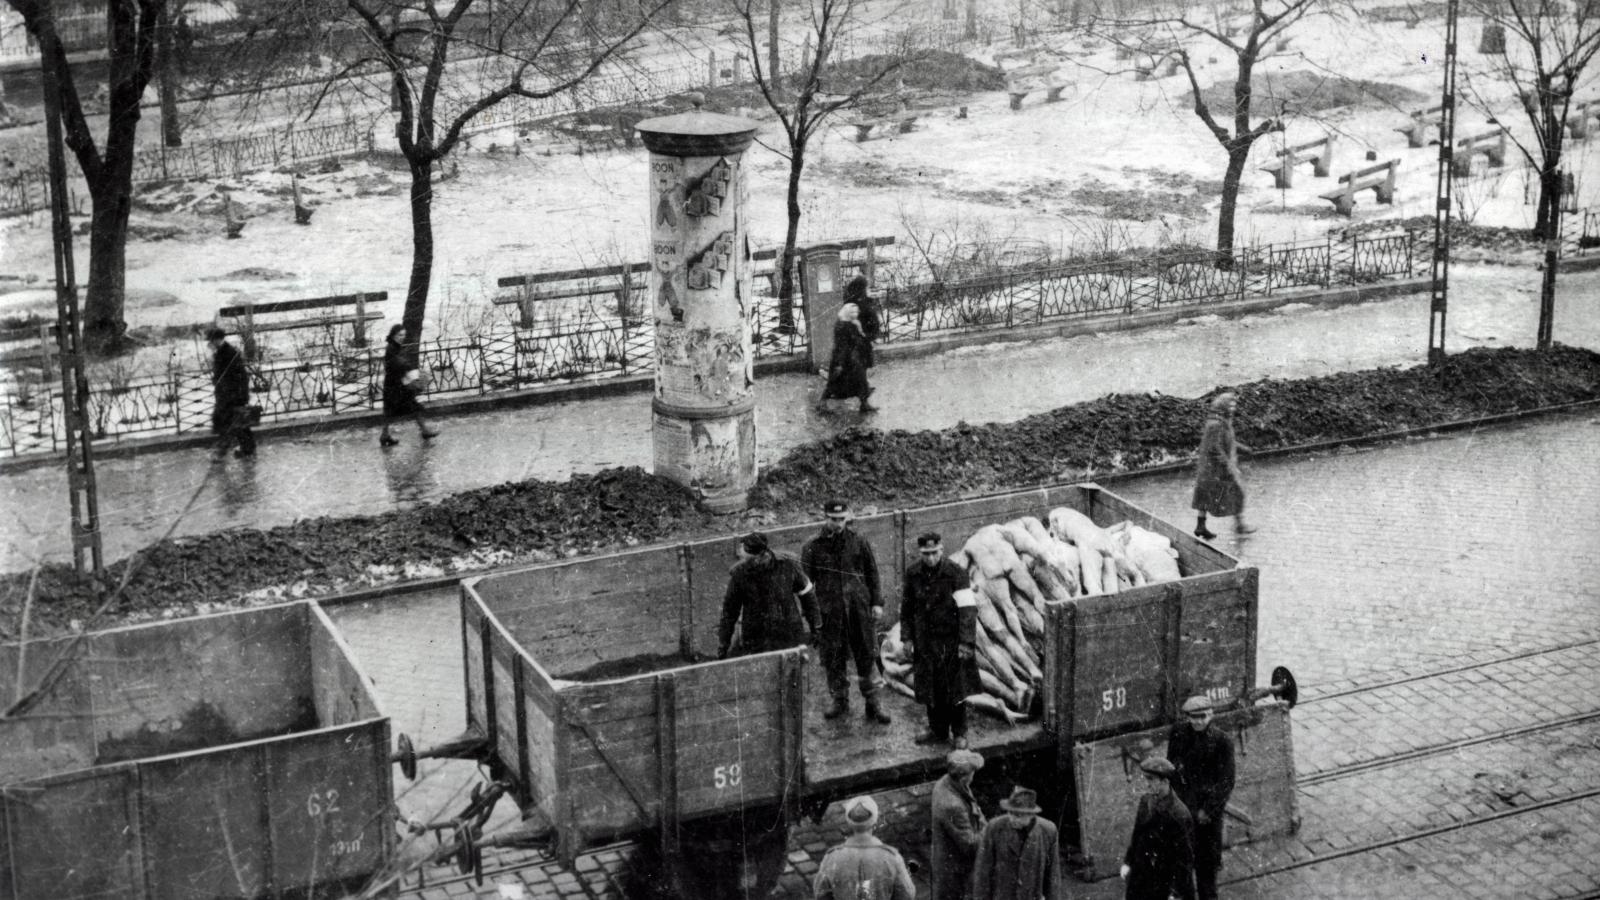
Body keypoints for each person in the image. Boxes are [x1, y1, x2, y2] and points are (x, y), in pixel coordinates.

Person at [802, 499, 890, 725]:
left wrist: (877, 603)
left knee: (867, 655)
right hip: (830, 612)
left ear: (847, 518)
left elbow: (872, 573)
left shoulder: (858, 541)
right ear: (825, 518)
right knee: (833, 657)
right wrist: (813, 618)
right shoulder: (813, 546)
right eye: (833, 519)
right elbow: (806, 586)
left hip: (858, 611)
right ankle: (839, 700)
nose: (838, 524)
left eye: (842, 519)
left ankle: (874, 703)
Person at [901, 531, 980, 749]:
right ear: (920, 553)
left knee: (955, 689)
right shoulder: (913, 574)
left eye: (934, 553)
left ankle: (960, 732)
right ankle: (937, 730)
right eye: (926, 554)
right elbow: (907, 608)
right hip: (925, 642)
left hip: (951, 641)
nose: (930, 558)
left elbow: (967, 610)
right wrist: (906, 638)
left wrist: (966, 643)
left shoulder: (956, 573)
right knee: (930, 688)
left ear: (942, 550)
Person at [1168, 696, 1235, 900]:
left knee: (1207, 873)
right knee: (1182, 869)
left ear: (1211, 715)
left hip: (1207, 816)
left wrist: (1207, 810)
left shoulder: (1222, 741)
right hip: (1184, 810)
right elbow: (1171, 769)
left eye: (1202, 717)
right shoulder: (1178, 733)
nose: (1197, 722)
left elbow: (1226, 782)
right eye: (1192, 717)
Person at [716, 532, 819, 659]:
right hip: (756, 640)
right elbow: (729, 612)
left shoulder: (788, 564)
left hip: (789, 635)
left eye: (749, 559)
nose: (746, 562)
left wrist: (816, 628)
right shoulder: (739, 574)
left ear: (760, 555)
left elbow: (807, 595)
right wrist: (723, 644)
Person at [1121, 757, 1197, 900]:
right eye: (1146, 778)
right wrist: (1128, 861)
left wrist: (1176, 893)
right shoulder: (1145, 801)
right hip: (1143, 873)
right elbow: (1137, 836)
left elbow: (1184, 860)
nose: (1146, 784)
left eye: (1151, 779)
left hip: (1166, 880)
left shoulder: (1179, 815)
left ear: (1165, 782)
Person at [814, 796, 916, 900]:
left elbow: (821, 894)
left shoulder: (832, 858)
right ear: (875, 821)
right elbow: (906, 895)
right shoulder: (891, 858)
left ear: (849, 823)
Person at [971, 786, 1061, 900]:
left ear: (1031, 815)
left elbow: (1053, 877)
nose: (1012, 819)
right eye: (1010, 813)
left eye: (1018, 815)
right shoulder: (994, 828)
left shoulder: (1048, 831)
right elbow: (982, 872)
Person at [1190, 391, 1254, 540]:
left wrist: (1243, 448)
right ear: (1223, 405)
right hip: (1215, 469)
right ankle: (1239, 525)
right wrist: (1228, 467)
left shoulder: (1221, 421)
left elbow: (1227, 442)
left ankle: (1201, 526)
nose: (1233, 408)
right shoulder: (1216, 424)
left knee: (1204, 497)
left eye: (1234, 405)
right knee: (1237, 492)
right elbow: (1215, 448)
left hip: (1211, 468)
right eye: (1231, 405)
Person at [930, 749, 987, 900]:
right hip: (953, 869)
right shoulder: (953, 805)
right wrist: (989, 830)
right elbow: (969, 845)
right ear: (964, 777)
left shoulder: (945, 782)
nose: (974, 775)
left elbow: (973, 806)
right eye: (972, 772)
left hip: (946, 857)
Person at [380, 324, 439, 447]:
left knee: (409, 407)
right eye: (400, 335)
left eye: (404, 335)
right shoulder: (391, 348)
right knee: (397, 410)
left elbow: (398, 362)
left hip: (396, 383)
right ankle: (424, 431)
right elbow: (395, 363)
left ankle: (423, 430)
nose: (402, 337)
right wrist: (407, 367)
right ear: (393, 335)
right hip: (395, 385)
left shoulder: (395, 346)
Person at [818, 302, 878, 413]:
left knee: (861, 382)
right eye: (852, 312)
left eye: (856, 312)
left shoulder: (853, 324)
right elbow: (842, 346)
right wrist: (840, 363)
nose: (855, 314)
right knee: (835, 383)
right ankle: (822, 403)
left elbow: (859, 340)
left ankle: (864, 404)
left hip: (854, 359)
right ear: (847, 312)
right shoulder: (842, 326)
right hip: (845, 360)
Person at [206, 327, 255, 458]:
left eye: (210, 341)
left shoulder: (228, 353)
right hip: (228, 394)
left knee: (233, 423)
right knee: (236, 423)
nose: (209, 344)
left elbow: (239, 376)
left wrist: (237, 394)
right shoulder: (223, 352)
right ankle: (247, 449)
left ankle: (225, 451)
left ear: (216, 340)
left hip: (232, 395)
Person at [844, 273, 882, 369]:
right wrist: (872, 336)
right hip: (863, 339)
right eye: (867, 288)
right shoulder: (864, 304)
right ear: (863, 288)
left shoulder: (850, 300)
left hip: (854, 340)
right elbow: (873, 320)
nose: (868, 290)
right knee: (861, 366)